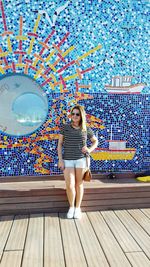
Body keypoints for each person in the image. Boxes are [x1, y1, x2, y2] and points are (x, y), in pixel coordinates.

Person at [57, 105, 98, 219]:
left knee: (79, 184)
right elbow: (60, 144)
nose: (74, 116)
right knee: (70, 185)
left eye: (77, 114)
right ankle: (71, 207)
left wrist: (89, 149)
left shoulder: (86, 129)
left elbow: (95, 141)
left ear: (81, 116)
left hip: (81, 160)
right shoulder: (65, 127)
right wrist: (60, 160)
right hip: (68, 160)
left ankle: (78, 208)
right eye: (73, 113)